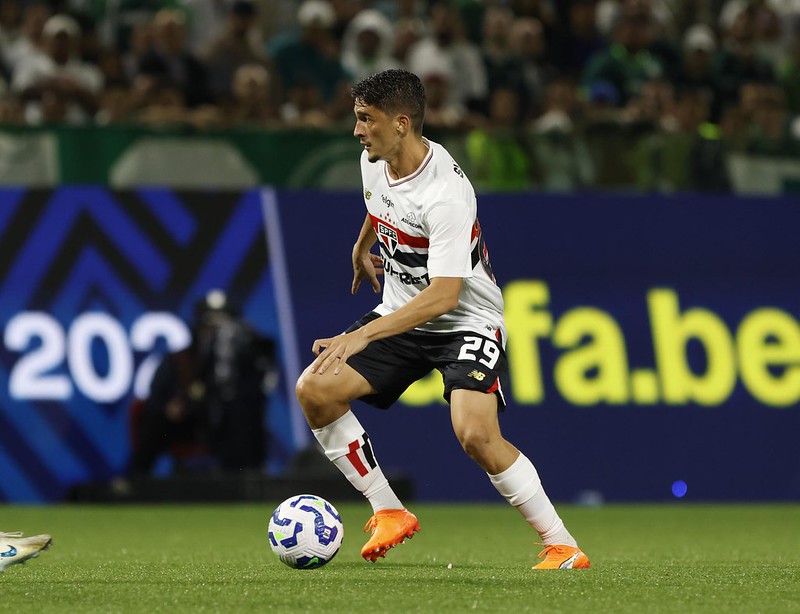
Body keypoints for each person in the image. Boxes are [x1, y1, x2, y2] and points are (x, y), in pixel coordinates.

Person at [294, 69, 590, 570]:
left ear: (402, 123)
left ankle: (562, 544)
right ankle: (388, 509)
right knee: (314, 390)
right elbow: (381, 202)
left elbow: (445, 296)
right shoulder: (376, 160)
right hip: (402, 313)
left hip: (464, 320)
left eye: (366, 120)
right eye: (357, 118)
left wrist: (361, 335)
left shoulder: (447, 194)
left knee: (475, 433)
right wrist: (362, 244)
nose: (357, 130)